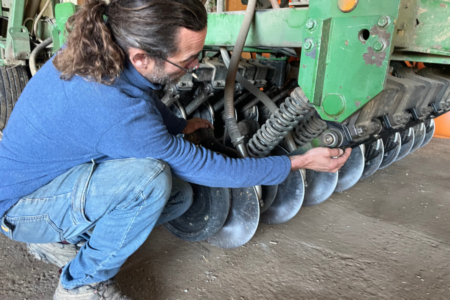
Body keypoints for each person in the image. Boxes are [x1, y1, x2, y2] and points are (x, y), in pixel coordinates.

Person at [0, 0, 351, 299]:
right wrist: (296, 161)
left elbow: (140, 97)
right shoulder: (112, 109)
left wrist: (180, 126)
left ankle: (62, 238)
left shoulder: (102, 53)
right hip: (21, 208)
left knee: (177, 196)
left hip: (52, 181)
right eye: (189, 60)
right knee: (150, 180)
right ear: (141, 57)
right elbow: (204, 166)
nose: (196, 66)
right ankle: (79, 284)